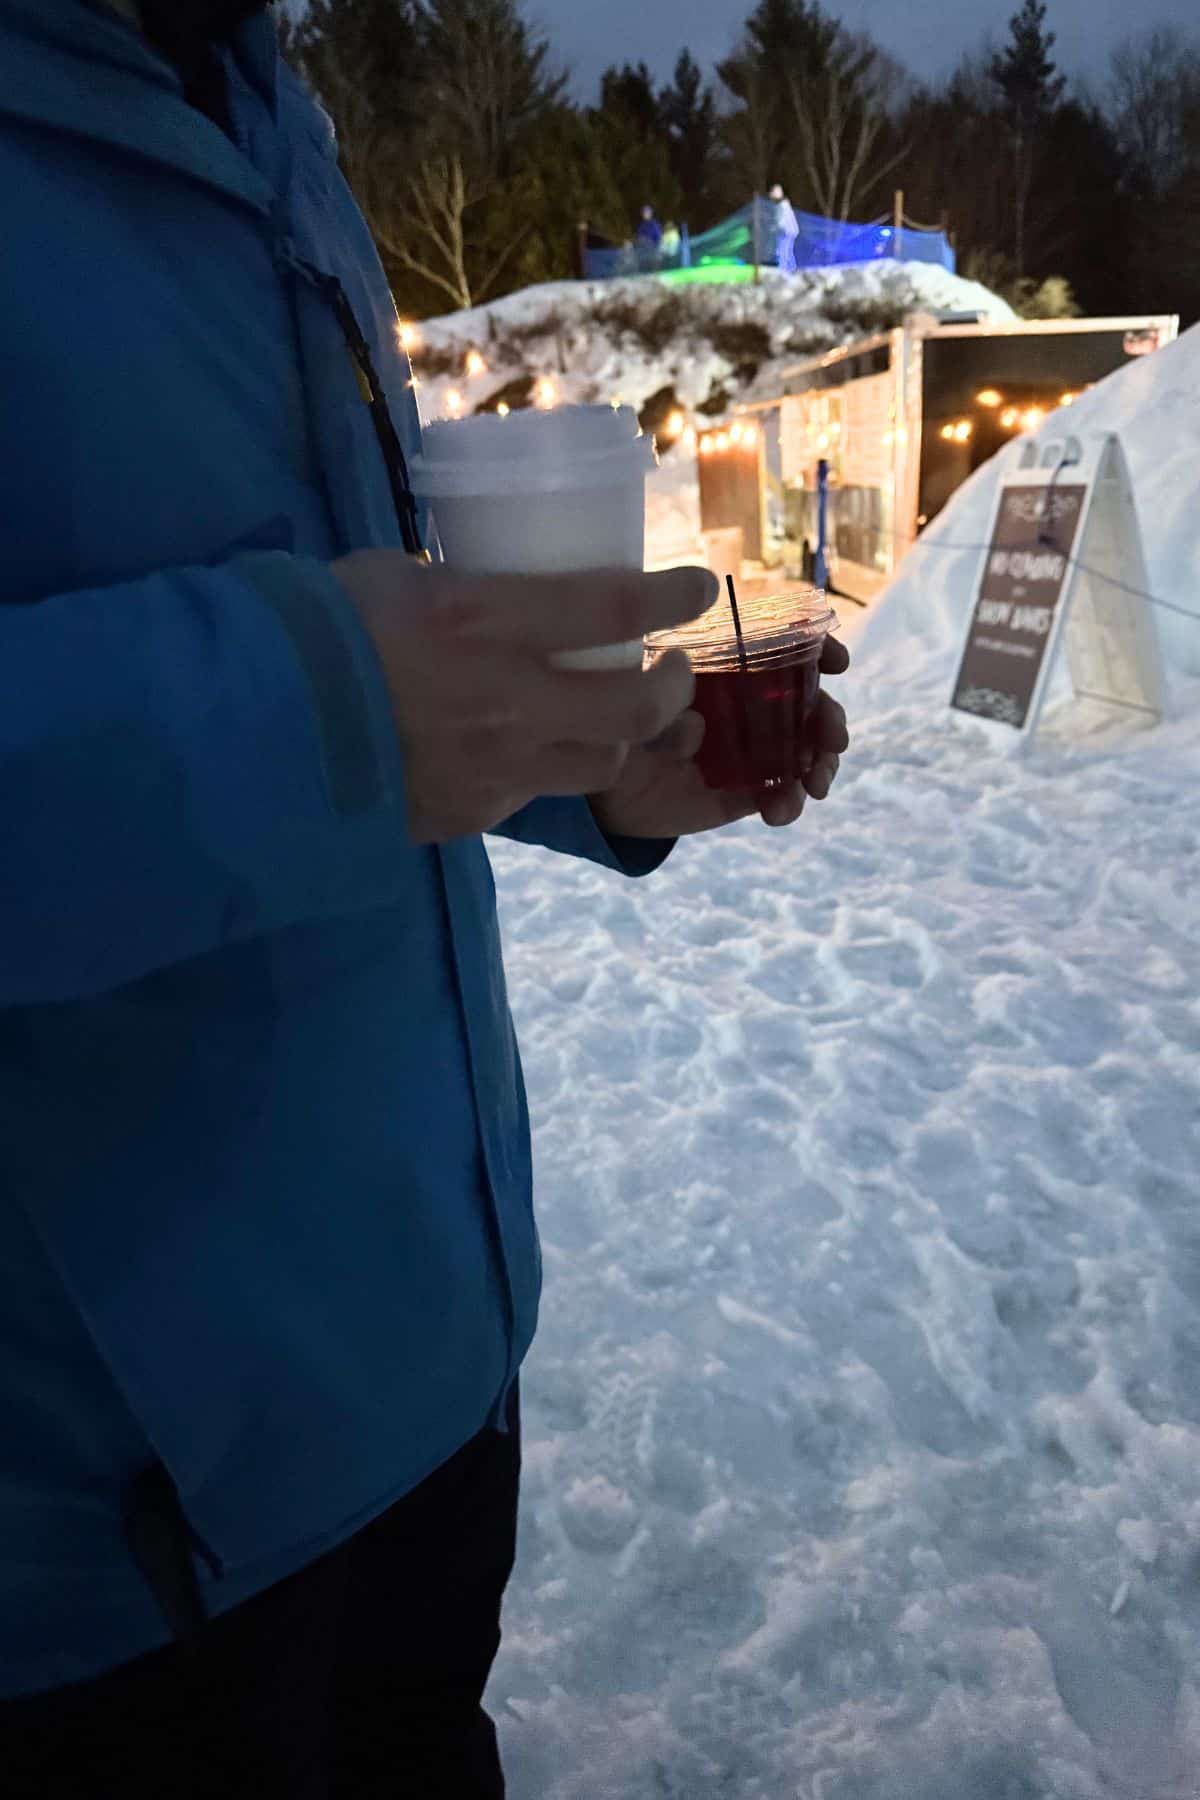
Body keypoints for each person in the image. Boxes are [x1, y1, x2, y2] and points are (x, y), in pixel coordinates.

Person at [0, 4, 850, 1796]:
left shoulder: (248, 94)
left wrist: (585, 765)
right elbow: (311, 682)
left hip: (426, 1369)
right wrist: (311, 711)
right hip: (107, 1558)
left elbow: (329, 610)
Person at [770, 182, 800, 274]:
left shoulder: (782, 206)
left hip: (785, 232)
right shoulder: (785, 205)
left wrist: (774, 228)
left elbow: (781, 221)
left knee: (782, 252)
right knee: (788, 252)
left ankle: (782, 272)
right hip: (790, 231)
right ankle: (793, 271)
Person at [635, 202, 664, 269]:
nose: (645, 214)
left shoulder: (654, 224)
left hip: (653, 252)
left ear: (651, 213)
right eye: (644, 212)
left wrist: (657, 250)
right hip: (643, 253)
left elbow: (659, 238)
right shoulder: (641, 225)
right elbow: (638, 238)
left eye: (647, 212)